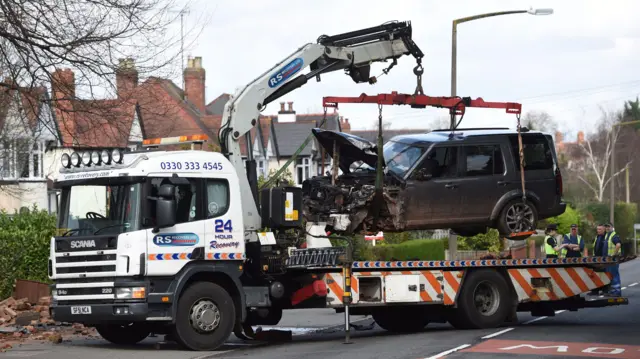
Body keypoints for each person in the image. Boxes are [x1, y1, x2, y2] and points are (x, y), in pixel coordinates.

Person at [603, 222, 622, 297]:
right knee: (610, 275)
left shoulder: (614, 235)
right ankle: (612, 291)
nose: (607, 228)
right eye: (606, 227)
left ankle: (617, 292)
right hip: (608, 259)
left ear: (612, 227)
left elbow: (618, 244)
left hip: (613, 259)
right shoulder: (607, 235)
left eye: (608, 227)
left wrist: (614, 254)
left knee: (614, 275)